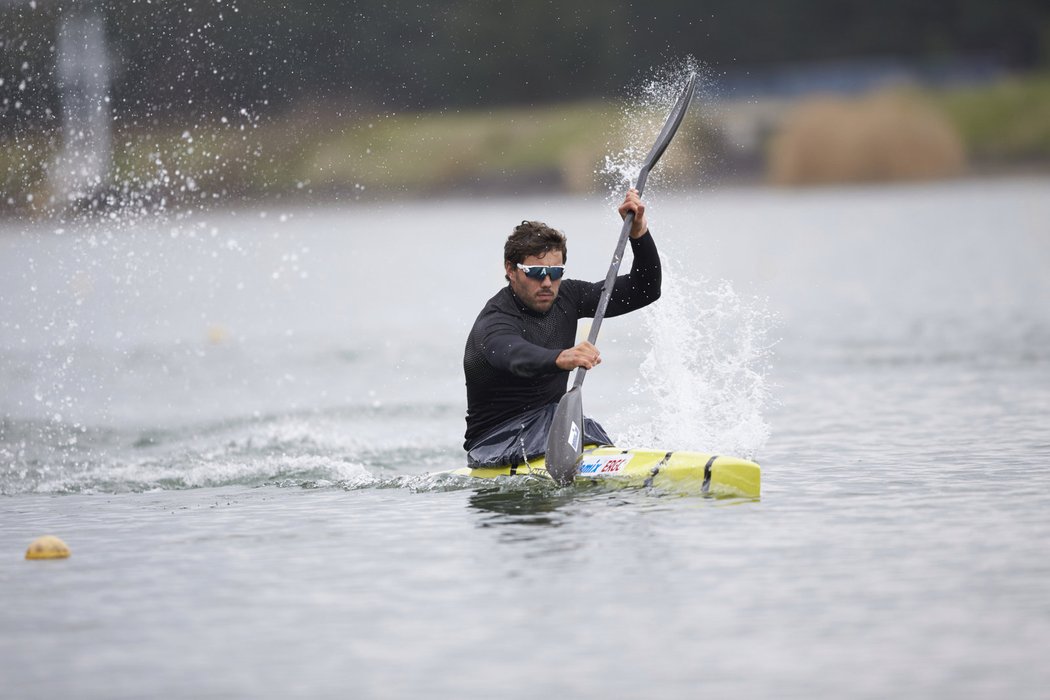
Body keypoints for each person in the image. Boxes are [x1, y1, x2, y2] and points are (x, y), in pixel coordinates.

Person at [462, 189, 662, 466]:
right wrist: (560, 357)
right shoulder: (495, 320)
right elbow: (513, 355)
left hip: (551, 429)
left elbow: (645, 290)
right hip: (495, 442)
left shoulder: (568, 297)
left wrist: (638, 235)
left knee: (583, 425)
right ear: (511, 270)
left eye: (555, 273)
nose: (547, 283)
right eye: (536, 272)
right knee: (561, 421)